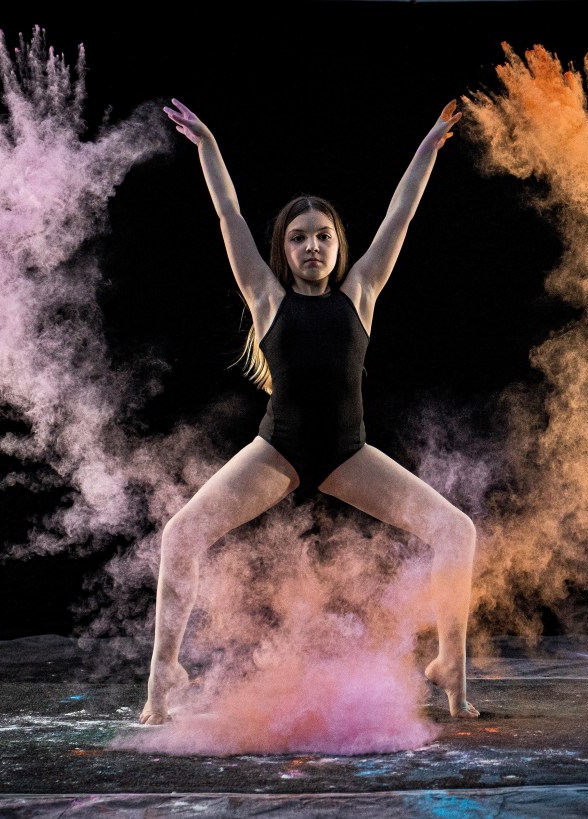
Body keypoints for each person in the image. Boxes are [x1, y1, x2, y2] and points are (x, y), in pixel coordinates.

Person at [140, 98, 478, 724]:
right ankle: (164, 673)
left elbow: (399, 214)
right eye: (299, 239)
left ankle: (450, 669)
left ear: (338, 245)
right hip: (280, 450)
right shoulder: (266, 298)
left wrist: (428, 147)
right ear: (284, 250)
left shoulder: (362, 292)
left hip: (349, 453)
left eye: (323, 237)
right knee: (180, 535)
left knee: (456, 530)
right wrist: (209, 145)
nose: (313, 246)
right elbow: (228, 213)